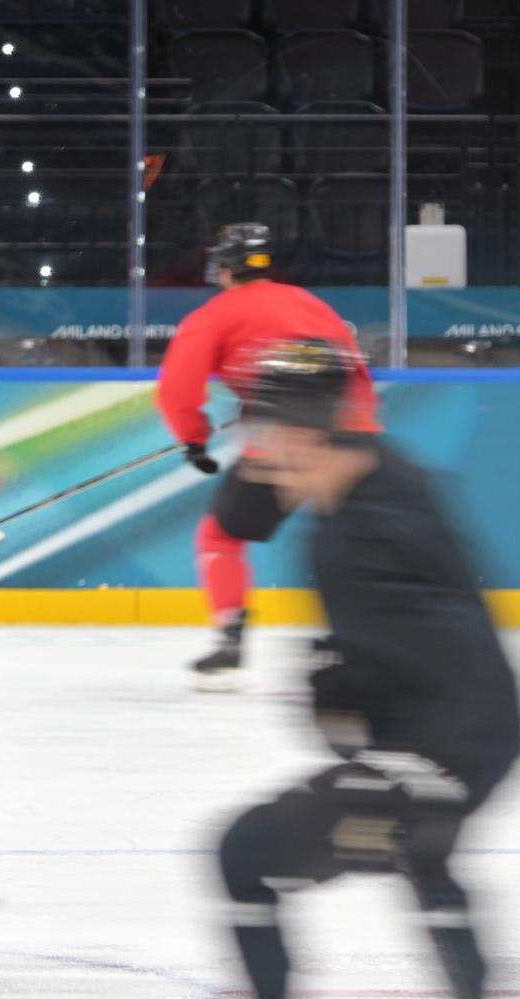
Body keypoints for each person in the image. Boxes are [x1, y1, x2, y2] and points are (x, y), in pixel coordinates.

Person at [183, 339, 520, 999]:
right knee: (417, 849)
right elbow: (243, 516)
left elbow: (449, 660)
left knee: (243, 852)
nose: (252, 446)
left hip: (449, 745)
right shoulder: (379, 477)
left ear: (303, 435)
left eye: (260, 430)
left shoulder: (367, 541)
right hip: (472, 734)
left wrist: (409, 773)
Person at [155, 223, 381, 689]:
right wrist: (360, 433)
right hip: (350, 443)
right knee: (347, 540)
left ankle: (230, 639)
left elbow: (177, 390)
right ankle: (356, 638)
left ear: (222, 269)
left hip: (280, 446)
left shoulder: (214, 314)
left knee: (220, 537)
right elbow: (353, 370)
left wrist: (193, 439)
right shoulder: (310, 303)